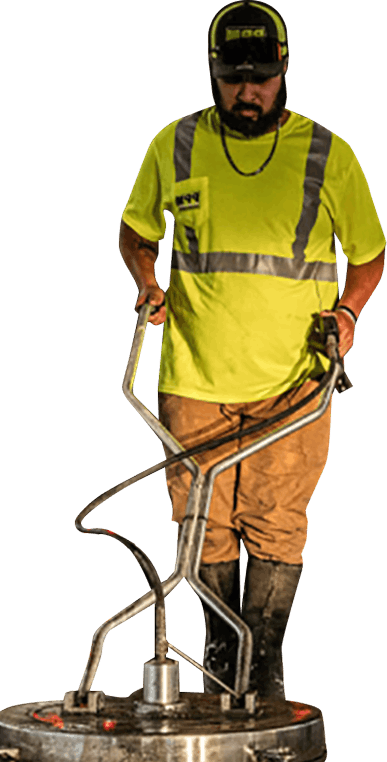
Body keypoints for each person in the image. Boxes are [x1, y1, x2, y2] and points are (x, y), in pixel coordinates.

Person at [118, 1, 385, 701]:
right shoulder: (173, 145)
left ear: (283, 71)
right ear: (212, 73)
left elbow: (370, 256)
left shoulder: (327, 154)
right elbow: (135, 231)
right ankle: (215, 660)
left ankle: (260, 671)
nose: (247, 92)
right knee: (201, 525)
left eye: (261, 77)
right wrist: (148, 281)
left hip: (293, 382)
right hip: (194, 377)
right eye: (233, 77)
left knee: (274, 524)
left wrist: (348, 314)